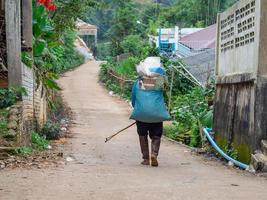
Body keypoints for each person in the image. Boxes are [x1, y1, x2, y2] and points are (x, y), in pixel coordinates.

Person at [130, 57, 170, 167]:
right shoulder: (160, 81)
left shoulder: (138, 82)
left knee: (142, 135)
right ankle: (154, 154)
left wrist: (138, 109)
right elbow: (167, 91)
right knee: (156, 135)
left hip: (142, 114)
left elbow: (133, 98)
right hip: (157, 114)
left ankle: (146, 158)